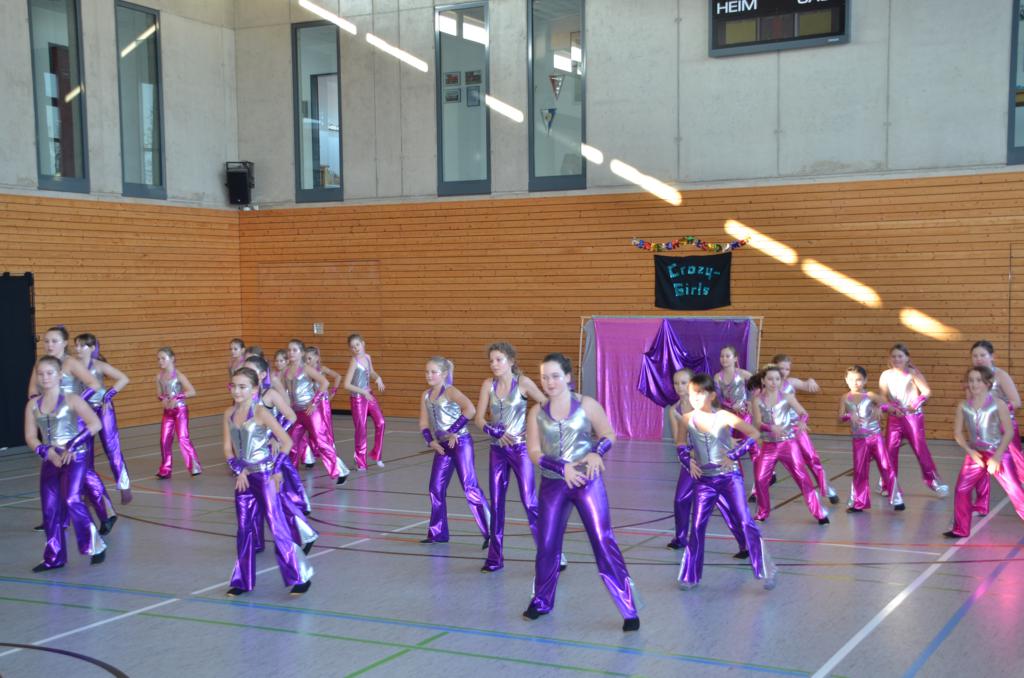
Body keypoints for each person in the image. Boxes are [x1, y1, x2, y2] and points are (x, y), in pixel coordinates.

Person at [522, 353, 639, 632]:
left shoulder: (586, 404)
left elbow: (608, 434)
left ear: (567, 377)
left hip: (587, 483)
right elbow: (534, 451)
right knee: (547, 545)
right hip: (553, 484)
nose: (549, 382)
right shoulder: (536, 412)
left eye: (555, 376)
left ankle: (628, 607)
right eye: (544, 377)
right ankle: (541, 601)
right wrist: (561, 468)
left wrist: (598, 452)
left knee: (603, 541)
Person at [676, 373, 776, 590]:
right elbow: (681, 445)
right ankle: (690, 575)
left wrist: (733, 455)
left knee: (745, 521)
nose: (695, 398)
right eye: (693, 394)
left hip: (729, 478)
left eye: (701, 393)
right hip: (704, 481)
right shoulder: (686, 418)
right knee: (697, 526)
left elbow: (754, 434)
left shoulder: (723, 416)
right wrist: (687, 461)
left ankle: (766, 569)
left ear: (712, 395)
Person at [223, 367, 313, 596]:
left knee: (277, 526)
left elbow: (286, 442)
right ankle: (242, 580)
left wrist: (275, 469)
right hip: (244, 480)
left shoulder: (261, 412)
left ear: (254, 389)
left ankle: (300, 576)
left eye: (243, 387)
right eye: (234, 386)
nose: (237, 391)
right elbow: (228, 450)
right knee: (244, 530)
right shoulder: (228, 414)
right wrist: (239, 470)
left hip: (264, 478)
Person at [25, 356, 107, 571]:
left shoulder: (72, 399)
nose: (45, 377)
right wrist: (46, 451)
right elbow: (31, 436)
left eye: (49, 373)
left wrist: (72, 445)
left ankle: (95, 545)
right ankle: (54, 557)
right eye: (41, 374)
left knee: (72, 499)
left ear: (59, 375)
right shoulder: (33, 405)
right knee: (50, 509)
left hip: (75, 457)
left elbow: (95, 424)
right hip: (50, 459)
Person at [474, 342, 550, 572]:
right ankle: (495, 558)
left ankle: (552, 554)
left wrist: (533, 429)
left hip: (521, 451)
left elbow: (546, 405)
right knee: (497, 504)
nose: (494, 364)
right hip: (497, 451)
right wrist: (492, 430)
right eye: (491, 360)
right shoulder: (488, 385)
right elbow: (478, 419)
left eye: (499, 359)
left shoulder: (523, 383)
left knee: (530, 502)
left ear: (511, 361)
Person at [667, 369, 749, 558]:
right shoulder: (675, 411)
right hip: (693, 463)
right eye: (676, 383)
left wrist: (728, 443)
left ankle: (744, 544)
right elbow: (678, 441)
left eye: (683, 383)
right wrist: (689, 454)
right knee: (680, 499)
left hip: (715, 464)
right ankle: (680, 538)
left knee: (725, 504)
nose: (679, 387)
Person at [945, 366, 1024, 538]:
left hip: (998, 454)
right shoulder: (963, 406)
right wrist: (970, 451)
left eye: (978, 380)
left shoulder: (998, 404)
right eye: (971, 380)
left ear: (988, 383)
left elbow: (1009, 432)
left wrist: (997, 456)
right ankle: (960, 529)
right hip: (976, 454)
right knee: (961, 489)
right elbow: (958, 433)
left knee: (1015, 491)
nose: (974, 384)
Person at [420, 356, 490, 545]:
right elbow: (424, 423)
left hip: (460, 443)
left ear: (443, 374)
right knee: (435, 488)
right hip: (442, 447)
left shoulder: (450, 391)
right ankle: (438, 533)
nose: (429, 375)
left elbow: (470, 409)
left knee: (469, 487)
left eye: (433, 372)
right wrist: (431, 442)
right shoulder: (425, 395)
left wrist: (453, 431)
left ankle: (491, 532)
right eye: (427, 372)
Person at [751, 365, 829, 524]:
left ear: (781, 381)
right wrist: (770, 427)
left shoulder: (787, 397)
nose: (774, 382)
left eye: (777, 379)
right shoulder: (757, 400)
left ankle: (819, 512)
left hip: (788, 445)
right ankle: (763, 511)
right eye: (770, 379)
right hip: (768, 447)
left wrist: (802, 421)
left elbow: (803, 413)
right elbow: (757, 423)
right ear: (763, 381)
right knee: (760, 480)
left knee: (802, 478)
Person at [879, 343, 947, 497]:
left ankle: (935, 483)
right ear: (890, 358)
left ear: (907, 358)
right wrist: (890, 408)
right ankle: (889, 485)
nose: (897, 359)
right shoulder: (885, 375)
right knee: (890, 451)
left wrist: (915, 404)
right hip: (894, 417)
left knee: (920, 450)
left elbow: (926, 391)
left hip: (913, 417)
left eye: (900, 356)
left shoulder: (912, 373)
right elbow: (882, 397)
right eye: (894, 356)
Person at [74, 333, 132, 504]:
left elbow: (123, 379)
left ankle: (124, 485)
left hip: (103, 410)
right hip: (85, 412)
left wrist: (108, 395)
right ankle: (90, 490)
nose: (78, 348)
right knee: (86, 452)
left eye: (82, 345)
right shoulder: (74, 366)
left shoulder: (98, 365)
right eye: (76, 345)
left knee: (111, 447)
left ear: (92, 348)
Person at [774, 354, 838, 504]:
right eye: (781, 368)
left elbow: (805, 384)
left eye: (787, 369)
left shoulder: (791, 382)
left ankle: (826, 488)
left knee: (812, 458)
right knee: (768, 461)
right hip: (779, 431)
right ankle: (756, 491)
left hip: (796, 427)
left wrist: (810, 380)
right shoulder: (766, 385)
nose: (784, 372)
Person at [838, 366, 904, 512]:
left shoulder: (870, 395)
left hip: (875, 438)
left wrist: (882, 408)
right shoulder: (845, 397)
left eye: (859, 380)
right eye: (851, 380)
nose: (855, 383)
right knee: (860, 471)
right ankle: (858, 503)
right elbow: (840, 418)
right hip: (859, 440)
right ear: (846, 380)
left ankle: (897, 499)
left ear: (865, 380)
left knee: (886, 466)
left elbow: (887, 405)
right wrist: (849, 416)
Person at [284, 339, 348, 483]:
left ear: (301, 353)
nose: (291, 353)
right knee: (292, 444)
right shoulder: (287, 370)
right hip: (296, 413)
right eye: (289, 350)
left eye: (294, 350)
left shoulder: (306, 369)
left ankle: (341, 470)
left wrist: (314, 403)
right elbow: (286, 392)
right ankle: (291, 475)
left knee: (321, 442)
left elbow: (325, 383)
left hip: (311, 413)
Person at [156, 347, 202, 478]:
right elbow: (159, 394)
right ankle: (165, 469)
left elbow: (192, 391)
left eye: (163, 358)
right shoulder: (159, 376)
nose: (160, 361)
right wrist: (163, 399)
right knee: (164, 440)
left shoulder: (179, 375)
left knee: (182, 438)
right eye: (158, 359)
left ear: (172, 359)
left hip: (180, 411)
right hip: (167, 412)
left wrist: (177, 397)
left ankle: (194, 466)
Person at [343, 333, 387, 470]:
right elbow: (346, 385)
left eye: (357, 345)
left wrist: (378, 378)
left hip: (369, 395)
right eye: (352, 347)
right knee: (361, 429)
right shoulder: (354, 362)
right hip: (358, 398)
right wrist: (363, 393)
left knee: (381, 422)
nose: (356, 348)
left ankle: (377, 454)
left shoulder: (367, 357)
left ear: (363, 344)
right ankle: (360, 461)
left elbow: (371, 372)